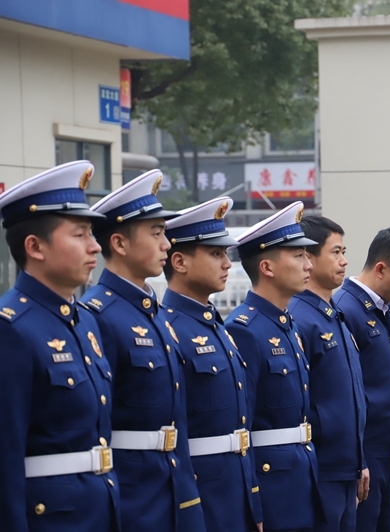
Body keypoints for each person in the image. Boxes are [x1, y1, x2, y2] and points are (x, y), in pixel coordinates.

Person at [0, 161, 121, 531]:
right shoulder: (11, 329)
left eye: (92, 235)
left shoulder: (85, 321)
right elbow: (5, 456)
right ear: (35, 247)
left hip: (99, 510)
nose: (95, 247)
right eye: (80, 235)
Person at [82, 170, 205, 531]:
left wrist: (188, 498)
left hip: (172, 485)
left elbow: (177, 417)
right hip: (131, 495)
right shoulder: (99, 314)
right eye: (156, 233)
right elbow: (97, 422)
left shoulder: (155, 314)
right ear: (119, 243)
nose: (167, 244)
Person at [161, 197, 263, 532]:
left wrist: (253, 500)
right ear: (179, 261)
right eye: (216, 254)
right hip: (202, 493)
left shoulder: (216, 326)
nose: (227, 264)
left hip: (236, 489)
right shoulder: (168, 327)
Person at [225, 201, 319, 532]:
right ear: (267, 267)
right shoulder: (245, 329)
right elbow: (243, 423)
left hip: (300, 473)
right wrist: (252, 499)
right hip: (271, 483)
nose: (309, 264)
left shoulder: (287, 324)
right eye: (299, 255)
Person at [332, 227, 390, 532]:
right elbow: (346, 395)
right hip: (366, 454)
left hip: (389, 454)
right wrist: (359, 460)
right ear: (381, 269)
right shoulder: (347, 309)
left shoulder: (386, 310)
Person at [287, 216, 368, 532]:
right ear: (308, 256)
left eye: (344, 252)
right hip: (320, 468)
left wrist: (359, 461)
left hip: (346, 468)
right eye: (335, 252)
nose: (344, 261)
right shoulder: (299, 317)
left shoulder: (334, 314)